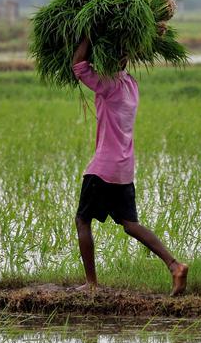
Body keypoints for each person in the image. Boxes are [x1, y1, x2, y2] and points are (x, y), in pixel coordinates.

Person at [70, 37, 188, 295]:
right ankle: (174, 265)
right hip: (123, 167)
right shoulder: (131, 85)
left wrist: (87, 38)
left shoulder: (110, 85)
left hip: (103, 167)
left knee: (82, 220)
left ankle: (91, 283)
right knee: (129, 223)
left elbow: (78, 65)